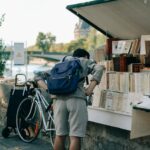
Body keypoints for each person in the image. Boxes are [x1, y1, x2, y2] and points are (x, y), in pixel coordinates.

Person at [52, 48, 105, 150]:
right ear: (85, 56)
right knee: (75, 137)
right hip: (76, 99)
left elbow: (43, 75)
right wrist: (89, 89)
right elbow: (99, 68)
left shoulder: (62, 61)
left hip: (59, 101)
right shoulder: (84, 60)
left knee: (59, 135)